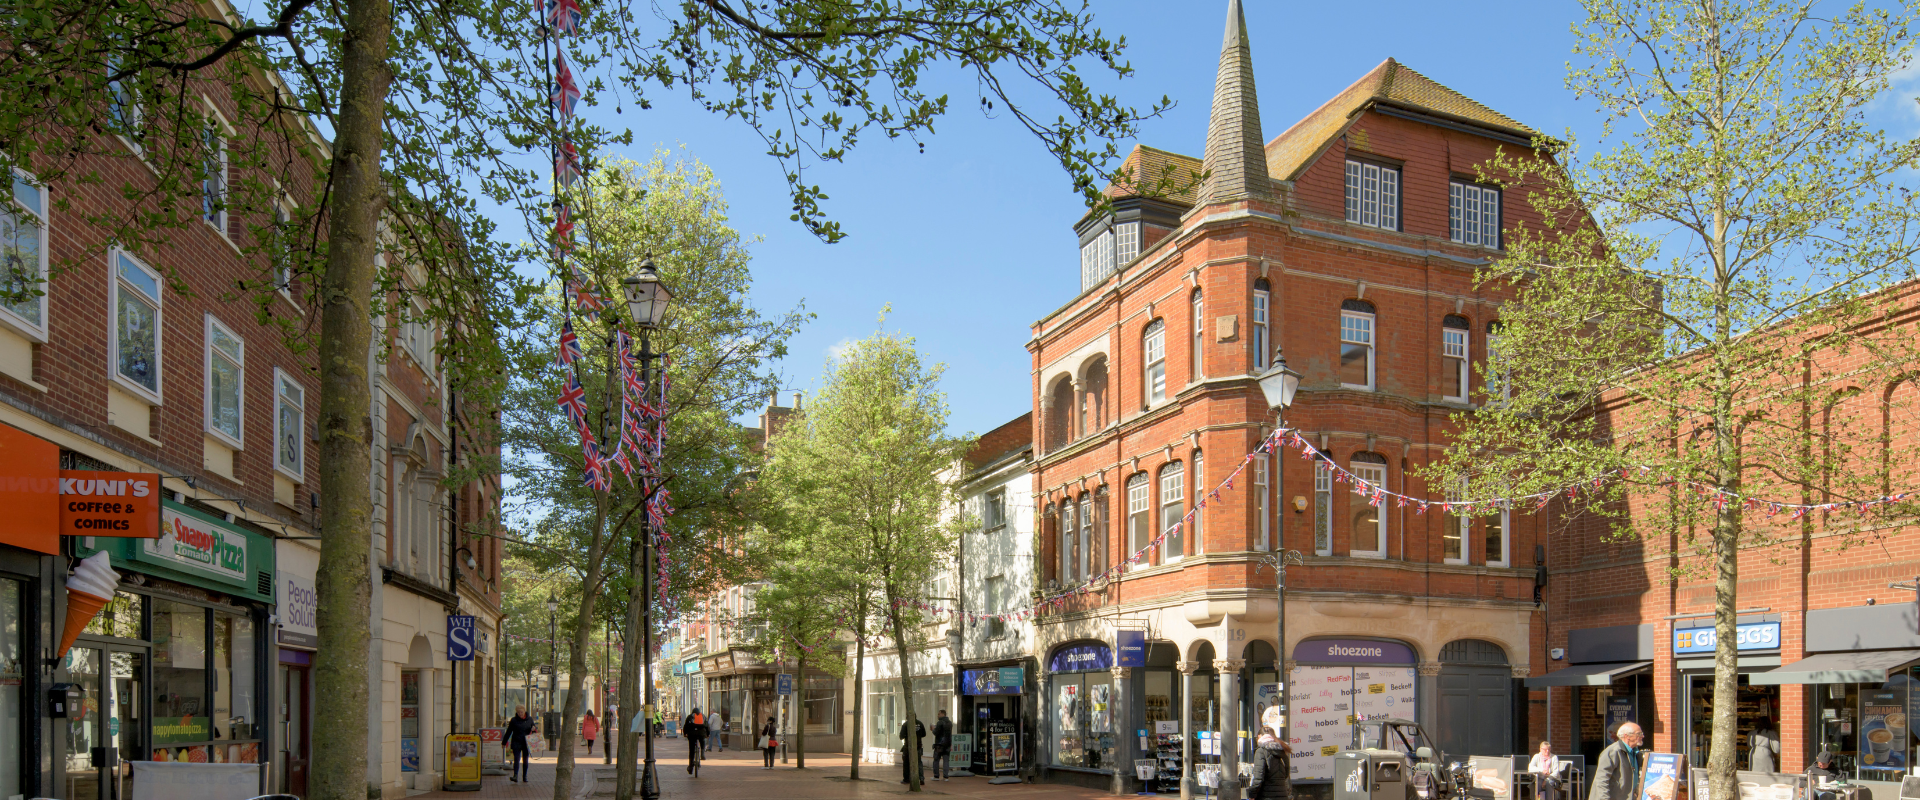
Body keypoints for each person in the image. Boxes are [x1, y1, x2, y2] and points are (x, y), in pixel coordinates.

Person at [1591, 722, 1645, 800]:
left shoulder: (1636, 753)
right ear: (1627, 736)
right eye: (1639, 734)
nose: (1642, 736)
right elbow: (1601, 780)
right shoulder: (1613, 751)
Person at [1247, 726, 1293, 800]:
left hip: (1266, 796)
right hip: (1282, 795)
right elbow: (1286, 774)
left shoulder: (1261, 751)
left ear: (1259, 737)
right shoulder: (1283, 752)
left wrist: (1252, 794)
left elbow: (1258, 777)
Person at [505, 705, 538, 783]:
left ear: (524, 711)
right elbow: (509, 731)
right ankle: (515, 775)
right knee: (516, 759)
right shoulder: (513, 720)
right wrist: (504, 742)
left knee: (525, 760)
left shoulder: (529, 719)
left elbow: (534, 730)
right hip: (516, 741)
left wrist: (533, 729)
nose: (520, 714)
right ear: (516, 712)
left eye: (521, 712)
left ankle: (524, 776)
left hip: (526, 742)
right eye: (518, 712)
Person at [899, 716, 927, 784]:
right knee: (919, 762)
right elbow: (924, 734)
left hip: (908, 746)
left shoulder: (906, 724)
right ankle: (921, 778)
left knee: (906, 762)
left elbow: (901, 736)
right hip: (918, 745)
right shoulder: (920, 723)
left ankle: (906, 778)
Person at [682, 707, 710, 773]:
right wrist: (707, 734)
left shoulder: (690, 717)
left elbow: (685, 726)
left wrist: (685, 733)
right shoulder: (703, 716)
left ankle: (690, 767)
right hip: (701, 733)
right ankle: (702, 753)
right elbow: (707, 726)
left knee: (691, 750)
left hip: (692, 734)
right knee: (702, 740)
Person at [931, 710, 954, 782]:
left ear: (943, 714)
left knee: (936, 760)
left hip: (939, 744)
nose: (938, 715)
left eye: (939, 714)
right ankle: (946, 776)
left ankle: (936, 776)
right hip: (947, 744)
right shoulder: (949, 723)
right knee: (946, 760)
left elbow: (936, 732)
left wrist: (933, 729)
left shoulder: (940, 722)